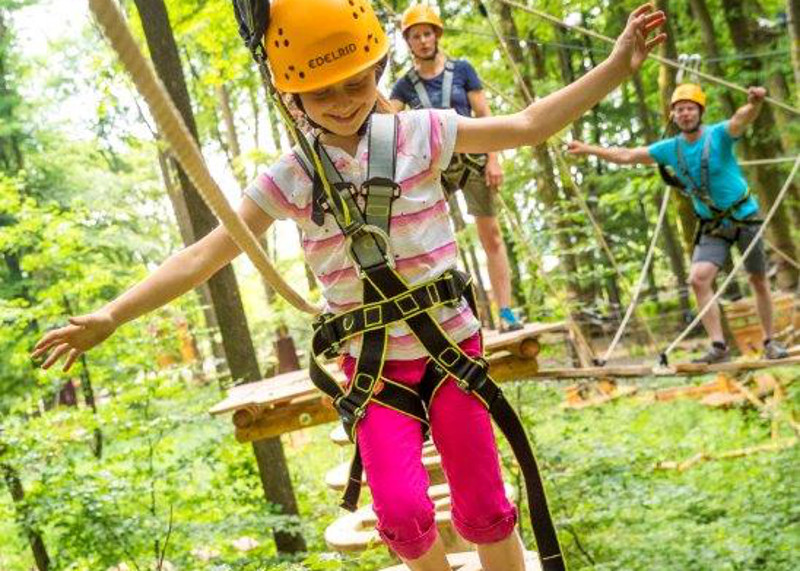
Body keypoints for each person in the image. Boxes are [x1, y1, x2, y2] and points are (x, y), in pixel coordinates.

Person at [32, 1, 666, 568]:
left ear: (377, 68)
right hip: (376, 370)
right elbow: (205, 254)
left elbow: (528, 125)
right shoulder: (293, 176)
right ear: (291, 100)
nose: (342, 102)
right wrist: (113, 315)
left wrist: (616, 64)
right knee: (402, 515)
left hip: (451, 352)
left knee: (482, 501)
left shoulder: (422, 132)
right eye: (321, 93)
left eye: (355, 82)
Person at [568, 84, 790, 363]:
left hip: (745, 217)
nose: (685, 114)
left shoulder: (719, 135)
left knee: (757, 279)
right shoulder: (669, 149)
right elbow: (627, 155)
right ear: (673, 116)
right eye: (680, 109)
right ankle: (719, 347)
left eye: (690, 108)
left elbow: (741, 118)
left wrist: (755, 103)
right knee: (698, 279)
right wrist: (587, 149)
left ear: (700, 112)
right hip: (713, 225)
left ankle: (770, 341)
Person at [390, 3, 522, 331]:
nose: (423, 41)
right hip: (435, 169)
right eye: (416, 36)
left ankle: (505, 312)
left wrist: (494, 158)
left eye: (427, 33)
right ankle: (454, 319)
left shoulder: (462, 70)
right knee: (433, 241)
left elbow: (484, 115)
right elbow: (388, 123)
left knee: (490, 236)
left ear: (436, 36)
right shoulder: (404, 86)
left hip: (474, 162)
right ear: (408, 42)